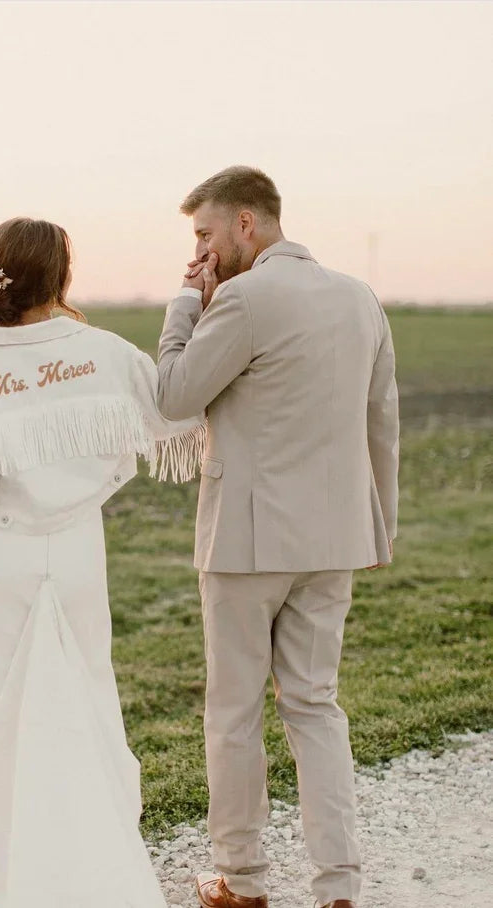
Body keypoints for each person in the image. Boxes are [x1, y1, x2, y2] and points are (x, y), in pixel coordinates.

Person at [0, 216, 206, 907]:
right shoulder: (104, 352)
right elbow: (175, 417)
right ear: (61, 275)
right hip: (74, 557)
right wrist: (190, 312)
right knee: (83, 705)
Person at [156, 166, 399, 908]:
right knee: (316, 706)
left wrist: (182, 305)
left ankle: (243, 880)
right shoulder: (361, 298)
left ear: (246, 225)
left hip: (246, 545)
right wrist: (376, 529)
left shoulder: (241, 298)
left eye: (204, 234)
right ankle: (340, 887)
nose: (200, 251)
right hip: (334, 541)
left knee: (233, 712)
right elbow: (381, 422)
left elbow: (172, 395)